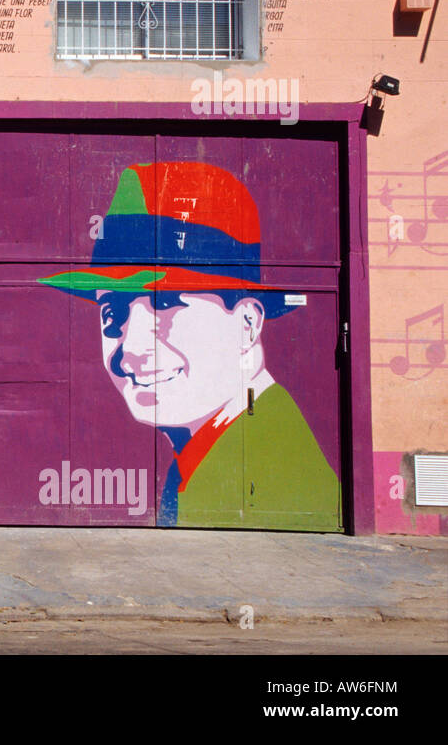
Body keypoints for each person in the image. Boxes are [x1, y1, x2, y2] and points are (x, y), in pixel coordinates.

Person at [39, 161, 339, 529]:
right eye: (111, 311)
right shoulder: (204, 457)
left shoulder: (272, 472)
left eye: (167, 304)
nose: (130, 348)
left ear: (247, 325)